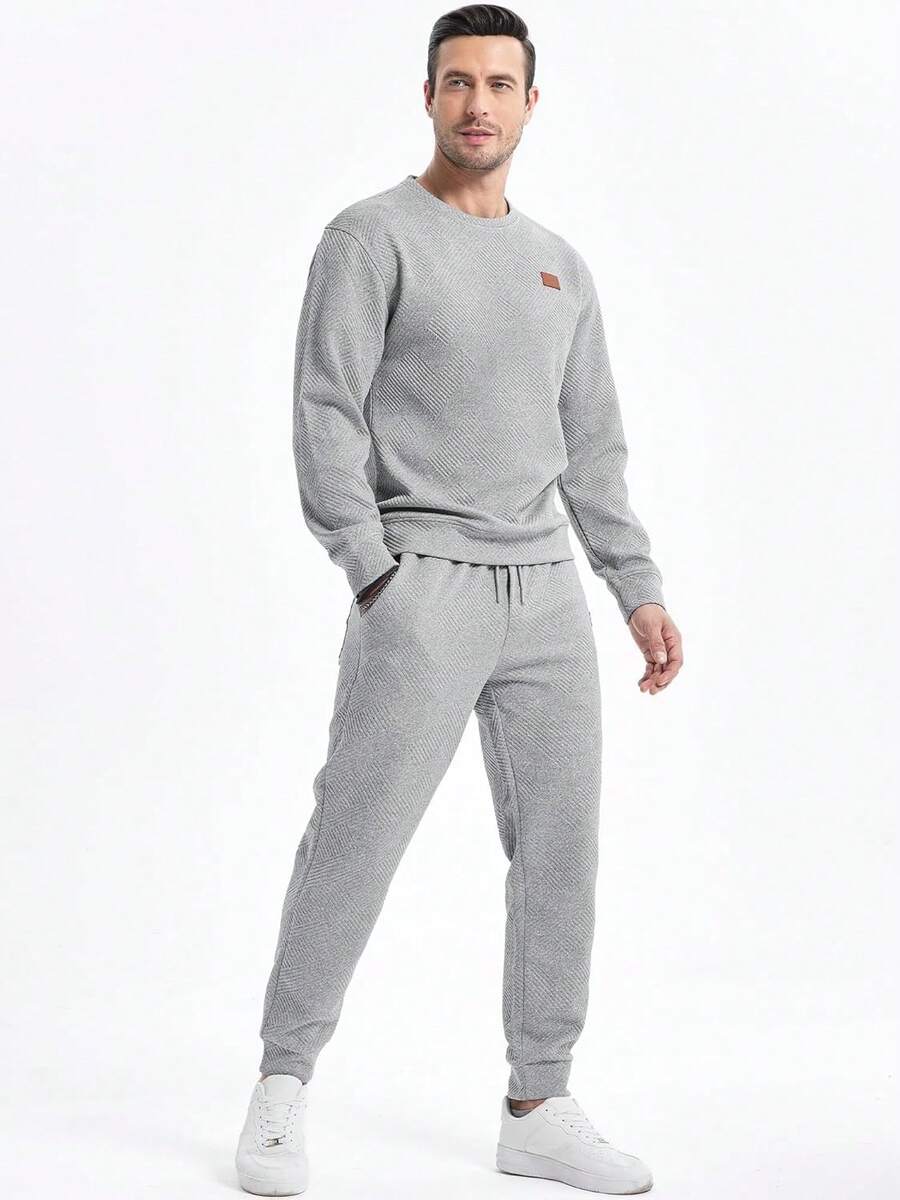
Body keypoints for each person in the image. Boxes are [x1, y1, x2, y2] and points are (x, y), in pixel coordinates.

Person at [235, 4, 684, 1195]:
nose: (477, 103)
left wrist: (634, 587)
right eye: (456, 82)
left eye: (498, 83)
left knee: (561, 853)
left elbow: (593, 447)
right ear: (427, 95)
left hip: (549, 596)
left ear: (532, 102)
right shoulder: (369, 238)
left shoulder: (560, 265)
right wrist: (370, 566)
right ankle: (282, 1084)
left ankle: (540, 1100)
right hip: (423, 583)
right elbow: (325, 411)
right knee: (356, 836)